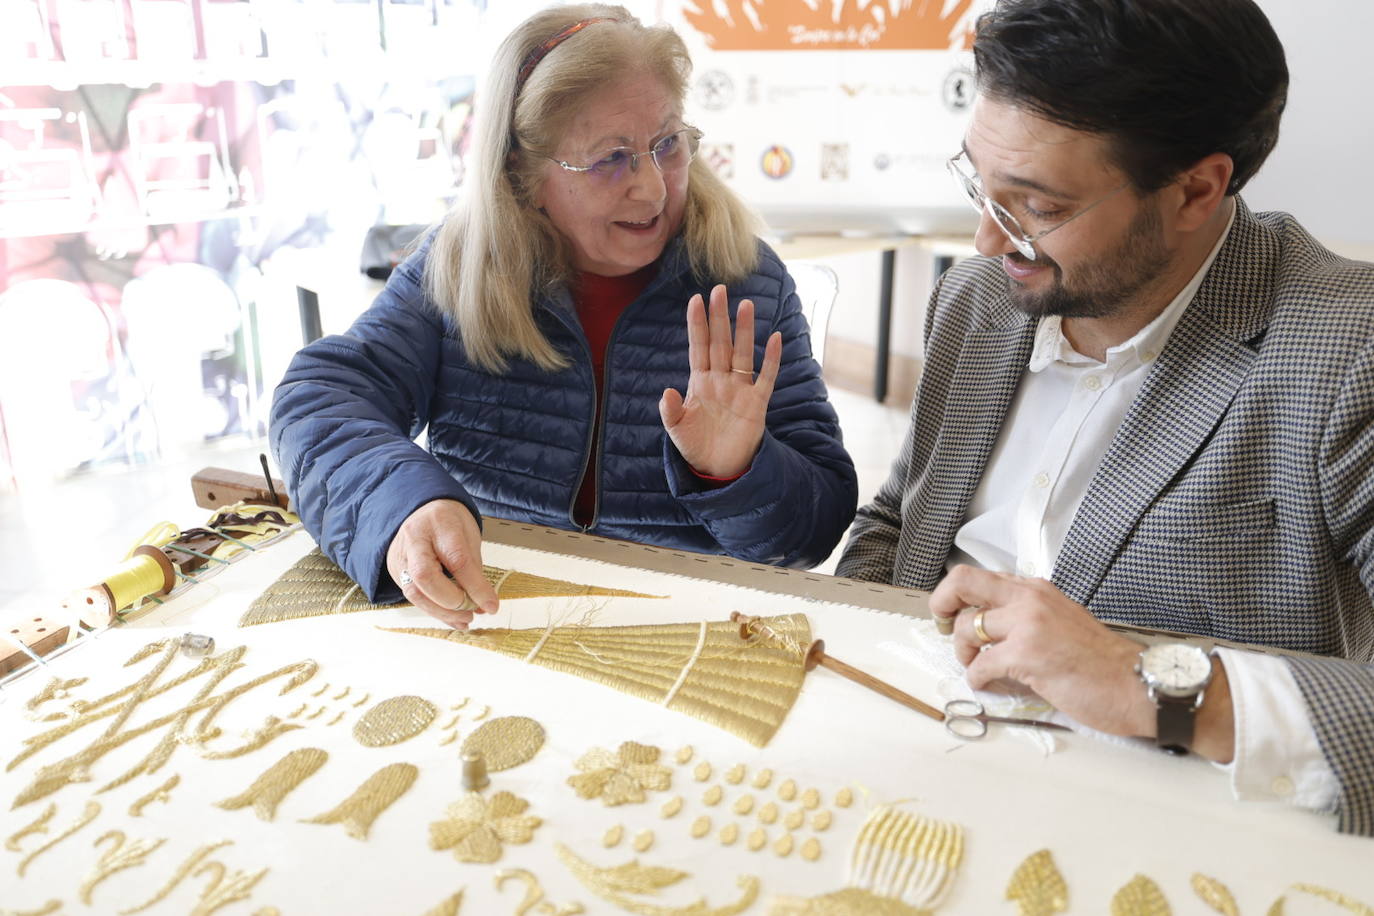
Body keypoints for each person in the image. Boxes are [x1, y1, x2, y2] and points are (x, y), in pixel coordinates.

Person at [837, 0, 1374, 836]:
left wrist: (1148, 684)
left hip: (1171, 828)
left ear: (1198, 189)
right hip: (912, 770)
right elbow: (902, 523)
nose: (985, 239)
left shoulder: (1346, 352)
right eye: (980, 182)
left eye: (1037, 208)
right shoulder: (980, 302)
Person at [271, 5, 857, 629]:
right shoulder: (460, 266)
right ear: (522, 175)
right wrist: (399, 505)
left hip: (683, 631)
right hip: (497, 614)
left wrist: (737, 472)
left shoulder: (746, 281)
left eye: (667, 145)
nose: (654, 189)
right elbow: (320, 397)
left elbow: (813, 532)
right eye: (611, 158)